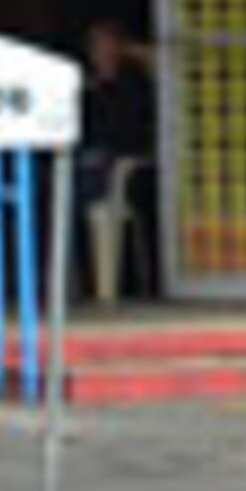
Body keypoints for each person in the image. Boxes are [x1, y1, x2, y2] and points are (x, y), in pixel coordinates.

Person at [72, 18, 160, 301]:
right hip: (89, 160)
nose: (99, 51)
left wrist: (135, 53)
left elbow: (133, 133)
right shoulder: (86, 88)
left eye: (105, 44)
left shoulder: (133, 85)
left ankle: (109, 286)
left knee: (96, 174)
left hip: (124, 164)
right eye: (94, 46)